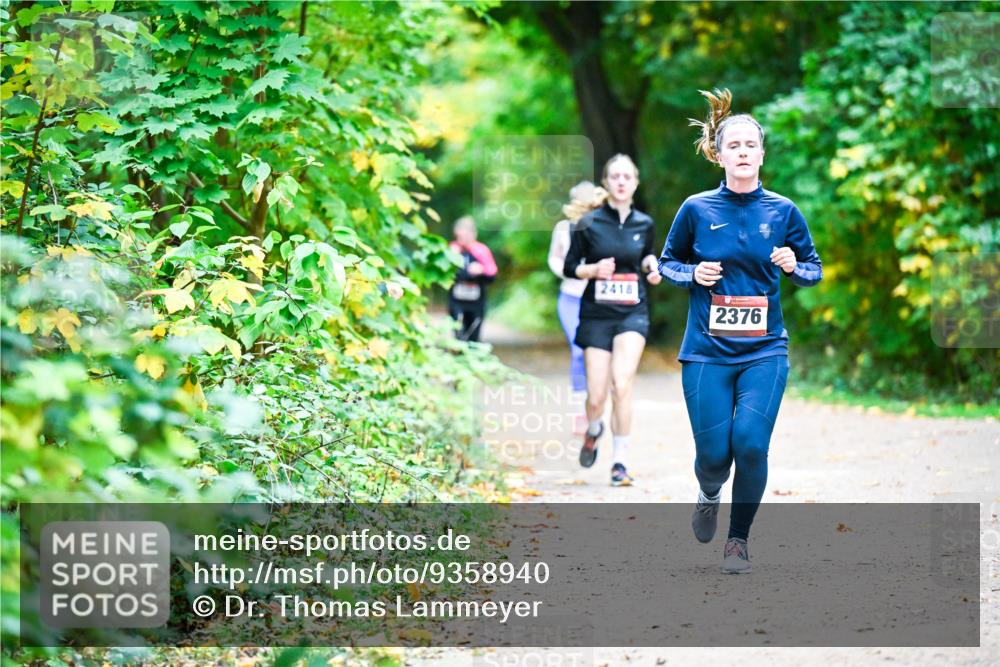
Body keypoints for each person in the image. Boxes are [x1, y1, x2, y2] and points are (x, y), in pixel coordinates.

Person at [658, 89, 823, 573]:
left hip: (765, 351)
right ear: (719, 153)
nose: (744, 152)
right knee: (713, 455)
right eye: (735, 146)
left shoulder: (784, 211)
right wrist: (694, 274)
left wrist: (795, 265)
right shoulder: (696, 209)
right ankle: (710, 491)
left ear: (762, 154)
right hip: (706, 351)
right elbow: (669, 263)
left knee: (750, 443)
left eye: (752, 145)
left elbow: (813, 268)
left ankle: (738, 540)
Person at [563, 155, 662, 486]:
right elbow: (569, 266)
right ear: (605, 183)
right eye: (614, 176)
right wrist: (591, 270)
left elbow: (646, 254)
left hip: (632, 311)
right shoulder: (587, 223)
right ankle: (594, 430)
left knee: (622, 385)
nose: (621, 181)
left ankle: (620, 463)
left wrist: (651, 266)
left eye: (627, 176)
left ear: (635, 183)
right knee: (596, 397)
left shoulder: (644, 224)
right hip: (597, 315)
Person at [548, 181, 602, 433]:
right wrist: (571, 272)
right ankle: (579, 408)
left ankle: (596, 407)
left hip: (599, 298)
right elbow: (555, 258)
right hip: (570, 297)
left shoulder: (604, 226)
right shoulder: (563, 228)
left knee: (598, 354)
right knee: (579, 350)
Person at [448, 216, 497, 342]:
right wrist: (469, 272)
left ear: (473, 234)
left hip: (476, 302)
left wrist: (480, 271)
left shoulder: (481, 251)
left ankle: (472, 358)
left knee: (473, 335)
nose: (463, 239)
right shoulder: (451, 250)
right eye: (460, 235)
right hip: (456, 301)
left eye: (466, 235)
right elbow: (446, 275)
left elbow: (491, 276)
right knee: (458, 334)